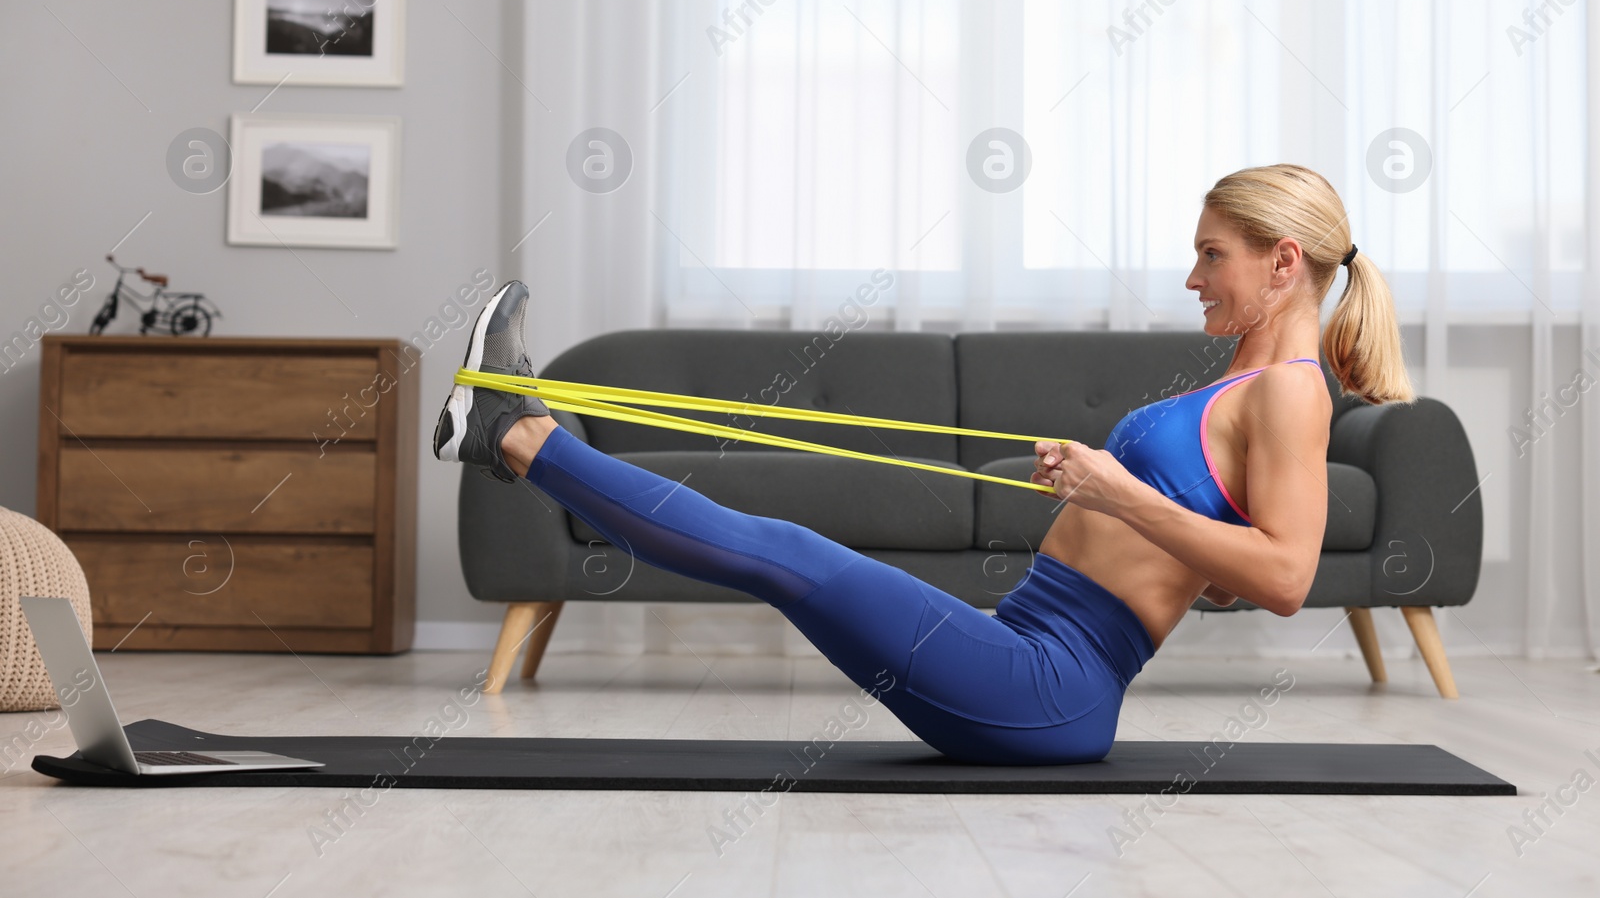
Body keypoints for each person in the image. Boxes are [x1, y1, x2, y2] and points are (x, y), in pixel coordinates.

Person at [433, 163, 1415, 766]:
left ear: (1283, 262)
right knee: (788, 555)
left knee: (787, 555)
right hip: (1022, 649)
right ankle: (514, 432)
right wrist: (1193, 560)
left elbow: (1287, 576)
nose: (1192, 277)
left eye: (1212, 256)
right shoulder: (1237, 384)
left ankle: (514, 434)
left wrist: (1116, 490)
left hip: (1046, 686)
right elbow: (1233, 545)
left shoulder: (1289, 389)